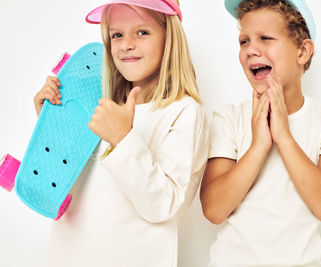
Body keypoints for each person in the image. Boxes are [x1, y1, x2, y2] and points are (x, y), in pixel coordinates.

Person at [34, 1, 209, 266]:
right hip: (67, 256)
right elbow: (63, 184)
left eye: (142, 32)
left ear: (169, 39)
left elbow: (164, 205)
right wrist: (50, 123)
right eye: (117, 34)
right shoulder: (98, 105)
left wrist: (123, 139)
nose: (126, 44)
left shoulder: (184, 113)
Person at [200, 0, 321, 266]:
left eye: (265, 38)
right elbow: (213, 210)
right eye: (244, 41)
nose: (250, 50)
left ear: (302, 52)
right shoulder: (229, 118)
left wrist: (284, 137)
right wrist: (258, 146)